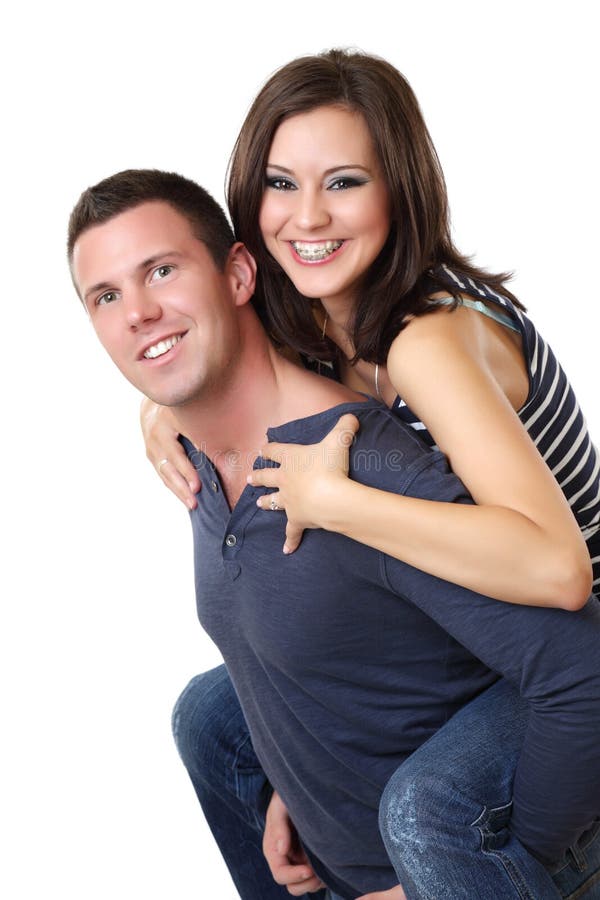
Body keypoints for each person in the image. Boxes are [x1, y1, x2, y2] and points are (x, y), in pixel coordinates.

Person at [138, 48, 600, 897]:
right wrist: (158, 411)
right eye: (281, 184)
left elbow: (559, 572)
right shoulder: (315, 325)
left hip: (563, 671)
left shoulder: (427, 340)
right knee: (218, 718)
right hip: (465, 643)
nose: (307, 217)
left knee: (427, 809)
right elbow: (205, 371)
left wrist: (338, 501)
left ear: (401, 191)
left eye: (344, 181)